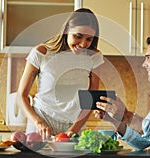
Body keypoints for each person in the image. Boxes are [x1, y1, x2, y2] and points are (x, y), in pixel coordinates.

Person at [16, 8, 104, 140]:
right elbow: (21, 95)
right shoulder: (41, 53)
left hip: (74, 126)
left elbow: (89, 100)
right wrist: (38, 123)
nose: (83, 44)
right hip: (41, 123)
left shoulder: (94, 57)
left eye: (89, 39)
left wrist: (72, 131)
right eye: (78, 36)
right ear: (67, 29)